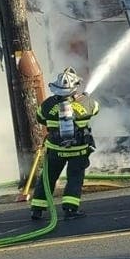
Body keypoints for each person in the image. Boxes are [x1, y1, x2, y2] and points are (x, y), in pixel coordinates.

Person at [30, 67, 100, 221]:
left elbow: (40, 118)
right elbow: (96, 109)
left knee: (48, 178)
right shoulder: (87, 103)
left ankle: (37, 209)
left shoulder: (47, 105)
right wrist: (84, 98)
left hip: (55, 150)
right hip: (79, 151)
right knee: (75, 178)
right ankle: (70, 209)